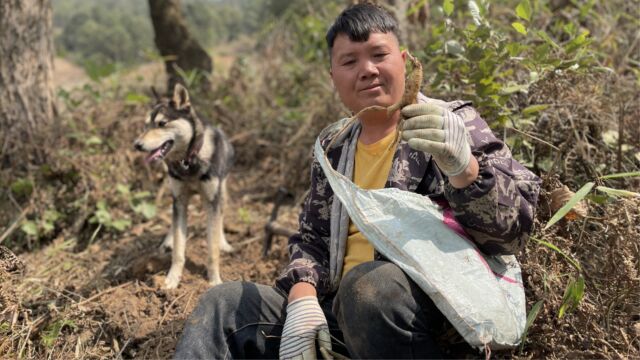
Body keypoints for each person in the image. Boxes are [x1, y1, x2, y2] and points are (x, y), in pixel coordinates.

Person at [174, 3, 541, 359]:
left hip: (427, 317)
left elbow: (513, 234)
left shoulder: (450, 125)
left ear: (405, 60)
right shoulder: (332, 147)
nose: (366, 70)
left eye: (379, 55)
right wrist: (303, 300)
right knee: (221, 305)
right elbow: (312, 237)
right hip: (339, 317)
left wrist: (465, 170)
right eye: (349, 61)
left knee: (368, 288)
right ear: (333, 76)